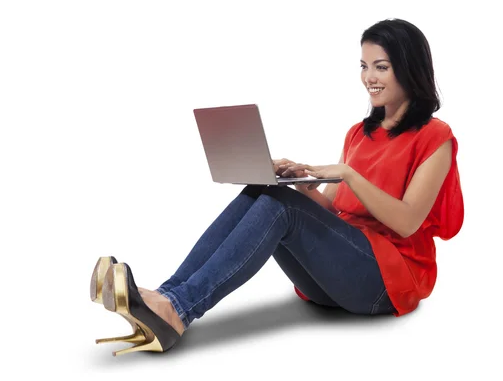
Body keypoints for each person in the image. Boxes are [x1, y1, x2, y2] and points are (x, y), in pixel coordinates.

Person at [90, 18, 464, 356]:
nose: (369, 77)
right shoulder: (359, 133)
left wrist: (347, 175)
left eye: (381, 67)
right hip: (340, 275)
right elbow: (333, 213)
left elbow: (408, 222)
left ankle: (177, 310)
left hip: (386, 282)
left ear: (409, 69)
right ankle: (167, 296)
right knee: (264, 191)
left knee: (280, 207)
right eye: (364, 67)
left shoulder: (436, 137)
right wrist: (301, 182)